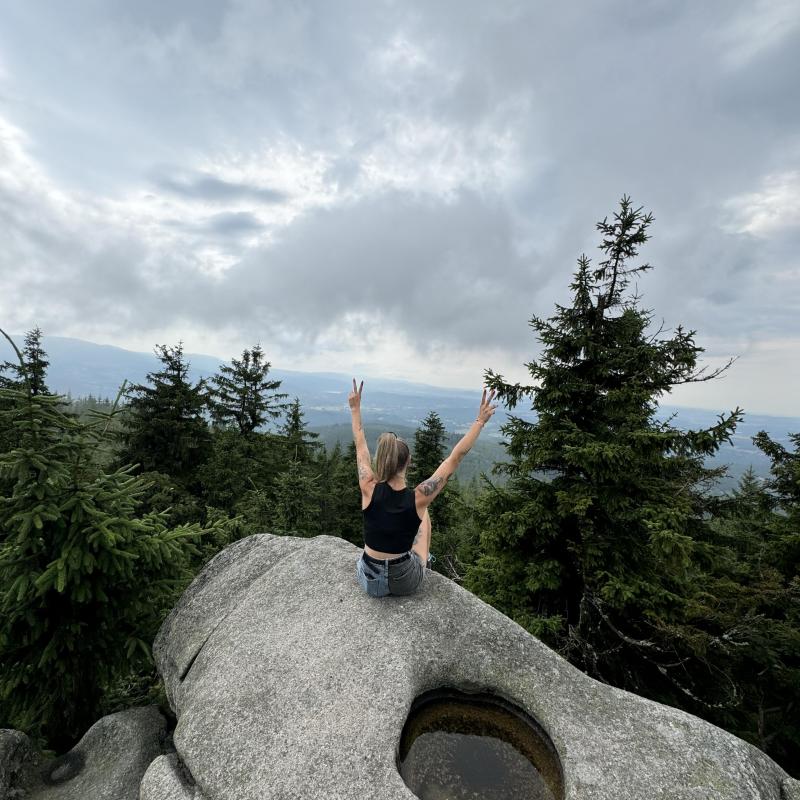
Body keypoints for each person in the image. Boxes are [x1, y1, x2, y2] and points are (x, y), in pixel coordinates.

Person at [349, 378, 497, 597]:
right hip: (404, 581)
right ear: (408, 462)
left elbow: (360, 442)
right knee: (423, 514)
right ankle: (426, 560)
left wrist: (355, 408)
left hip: (369, 580)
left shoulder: (367, 486)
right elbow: (455, 458)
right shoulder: (419, 497)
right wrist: (480, 421)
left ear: (383, 459)